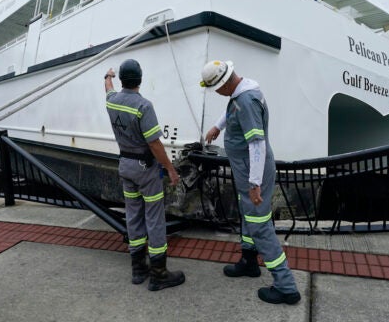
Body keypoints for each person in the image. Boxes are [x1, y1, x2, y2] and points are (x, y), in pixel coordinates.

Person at [200, 59, 300, 305]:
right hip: (246, 170)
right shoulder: (241, 92)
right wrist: (217, 126)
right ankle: (248, 261)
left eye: (216, 89)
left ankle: (286, 286)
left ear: (224, 85)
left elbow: (257, 144)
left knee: (258, 224)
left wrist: (254, 183)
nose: (217, 93)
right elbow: (230, 111)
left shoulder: (246, 102)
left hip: (253, 172)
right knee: (248, 215)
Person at [104, 59, 185, 291]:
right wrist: (170, 168)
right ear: (140, 79)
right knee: (154, 217)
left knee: (133, 215)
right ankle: (159, 273)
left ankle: (138, 269)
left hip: (125, 166)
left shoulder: (112, 103)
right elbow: (155, 144)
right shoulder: (143, 106)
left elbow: (108, 91)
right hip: (145, 170)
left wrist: (106, 77)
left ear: (122, 79)